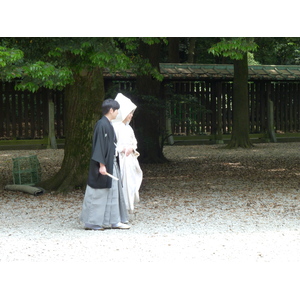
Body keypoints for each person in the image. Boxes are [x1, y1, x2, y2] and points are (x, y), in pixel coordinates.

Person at [80, 98, 130, 230]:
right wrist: (101, 165)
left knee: (113, 191)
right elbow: (99, 146)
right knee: (98, 193)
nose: (118, 113)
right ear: (111, 110)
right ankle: (92, 223)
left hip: (110, 163)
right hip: (103, 165)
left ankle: (114, 220)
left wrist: (121, 150)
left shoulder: (108, 124)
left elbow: (111, 145)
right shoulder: (101, 125)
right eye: (117, 110)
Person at [112, 93, 143, 214]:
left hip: (129, 159)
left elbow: (134, 143)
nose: (131, 116)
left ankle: (127, 208)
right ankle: (119, 210)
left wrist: (132, 148)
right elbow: (113, 145)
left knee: (130, 184)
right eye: (129, 113)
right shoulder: (114, 127)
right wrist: (123, 149)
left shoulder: (128, 128)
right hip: (120, 159)